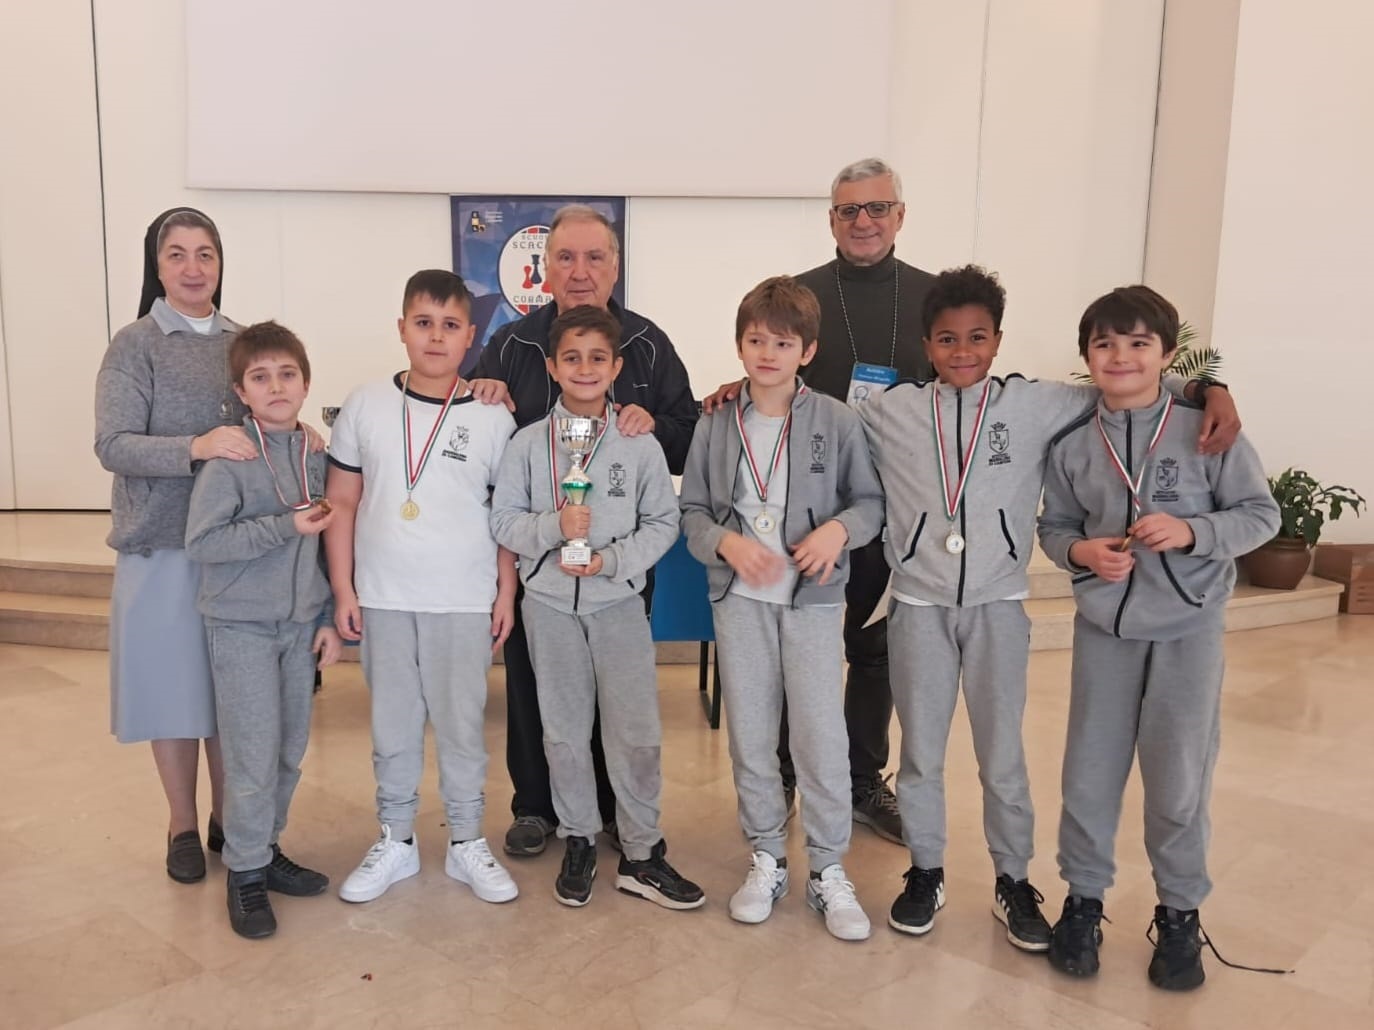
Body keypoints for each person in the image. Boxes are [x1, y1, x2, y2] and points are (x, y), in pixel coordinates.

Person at [857, 265, 1242, 950]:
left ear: (998, 340)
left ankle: (1012, 879)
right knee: (919, 755)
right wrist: (734, 392)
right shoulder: (890, 409)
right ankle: (926, 870)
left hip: (1000, 605)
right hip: (917, 603)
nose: (963, 351)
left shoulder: (1037, 403)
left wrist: (1208, 389)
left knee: (1002, 756)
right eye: (947, 339)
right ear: (927, 344)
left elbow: (1125, 385)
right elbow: (811, 412)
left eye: (978, 337)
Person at [1037, 286, 1279, 990]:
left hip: (1187, 630)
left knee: (1178, 778)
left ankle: (1178, 914)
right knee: (1089, 773)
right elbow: (1056, 527)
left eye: (1139, 343)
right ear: (1087, 356)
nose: (1122, 357)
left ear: (1168, 354)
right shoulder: (1073, 441)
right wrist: (1082, 553)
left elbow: (1260, 515)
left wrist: (1193, 531)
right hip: (1105, 629)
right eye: (1105, 344)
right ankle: (1083, 901)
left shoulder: (1207, 428)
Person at [705, 159, 936, 843]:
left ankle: (863, 779)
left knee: (872, 649)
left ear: (900, 214)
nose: (863, 221)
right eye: (848, 210)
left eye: (877, 207)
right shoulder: (802, 294)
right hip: (799, 510)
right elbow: (768, 369)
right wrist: (733, 390)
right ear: (830, 218)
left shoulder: (930, 299)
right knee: (788, 648)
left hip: (889, 507)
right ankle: (781, 773)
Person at [470, 204, 699, 858]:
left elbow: (686, 436)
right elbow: (480, 435)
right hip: (538, 571)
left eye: (594, 257)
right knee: (536, 690)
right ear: (544, 269)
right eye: (565, 258)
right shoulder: (512, 345)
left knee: (618, 700)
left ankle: (612, 809)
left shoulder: (648, 343)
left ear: (615, 266)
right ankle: (537, 807)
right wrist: (480, 392)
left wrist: (652, 424)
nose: (579, 271)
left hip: (616, 572)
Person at [680, 277, 884, 940]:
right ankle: (767, 854)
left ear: (808, 351)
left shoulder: (836, 421)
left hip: (813, 602)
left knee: (820, 735)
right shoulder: (716, 421)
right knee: (751, 732)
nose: (768, 353)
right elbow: (692, 513)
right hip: (739, 601)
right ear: (739, 346)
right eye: (756, 340)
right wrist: (726, 543)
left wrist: (838, 532)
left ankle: (827, 867)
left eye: (783, 343)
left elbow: (871, 504)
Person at [325, 270, 519, 906]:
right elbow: (342, 502)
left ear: (471, 337)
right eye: (424, 323)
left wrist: (506, 592)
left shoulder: (492, 416)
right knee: (393, 725)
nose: (436, 337)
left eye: (450, 325)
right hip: (383, 595)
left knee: (462, 727)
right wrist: (344, 588)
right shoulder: (364, 404)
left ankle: (466, 840)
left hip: (462, 597)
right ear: (402, 329)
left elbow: (507, 517)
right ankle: (396, 838)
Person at [95, 207, 249, 884]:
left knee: (230, 696)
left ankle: (230, 822)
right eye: (177, 254)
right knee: (173, 693)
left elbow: (266, 423)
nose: (193, 268)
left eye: (205, 253)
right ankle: (181, 825)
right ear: (156, 268)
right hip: (159, 544)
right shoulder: (135, 344)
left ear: (220, 263)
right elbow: (113, 444)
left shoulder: (243, 342)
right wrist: (197, 446)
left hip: (234, 550)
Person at [184, 321, 343, 938]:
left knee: (287, 751)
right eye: (260, 377)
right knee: (251, 755)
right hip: (241, 626)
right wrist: (283, 526)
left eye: (287, 374)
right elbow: (203, 543)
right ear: (241, 391)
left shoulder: (317, 455)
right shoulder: (231, 460)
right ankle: (244, 872)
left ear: (305, 383)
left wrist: (325, 618)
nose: (276, 386)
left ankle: (265, 847)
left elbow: (326, 547)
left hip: (299, 627)